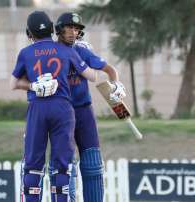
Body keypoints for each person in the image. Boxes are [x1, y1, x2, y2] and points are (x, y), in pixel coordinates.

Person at [10, 11, 97, 202]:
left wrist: (33, 85)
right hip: (63, 109)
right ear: (52, 29)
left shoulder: (25, 53)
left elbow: (13, 83)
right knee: (62, 167)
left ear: (29, 33)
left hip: (37, 108)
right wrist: (84, 53)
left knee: (33, 166)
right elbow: (92, 76)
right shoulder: (66, 50)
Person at [55, 12, 126, 202]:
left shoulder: (82, 50)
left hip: (84, 111)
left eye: (76, 28)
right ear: (59, 29)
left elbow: (110, 70)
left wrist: (117, 85)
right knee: (65, 166)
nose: (73, 31)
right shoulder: (51, 52)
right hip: (61, 113)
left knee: (93, 164)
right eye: (69, 27)